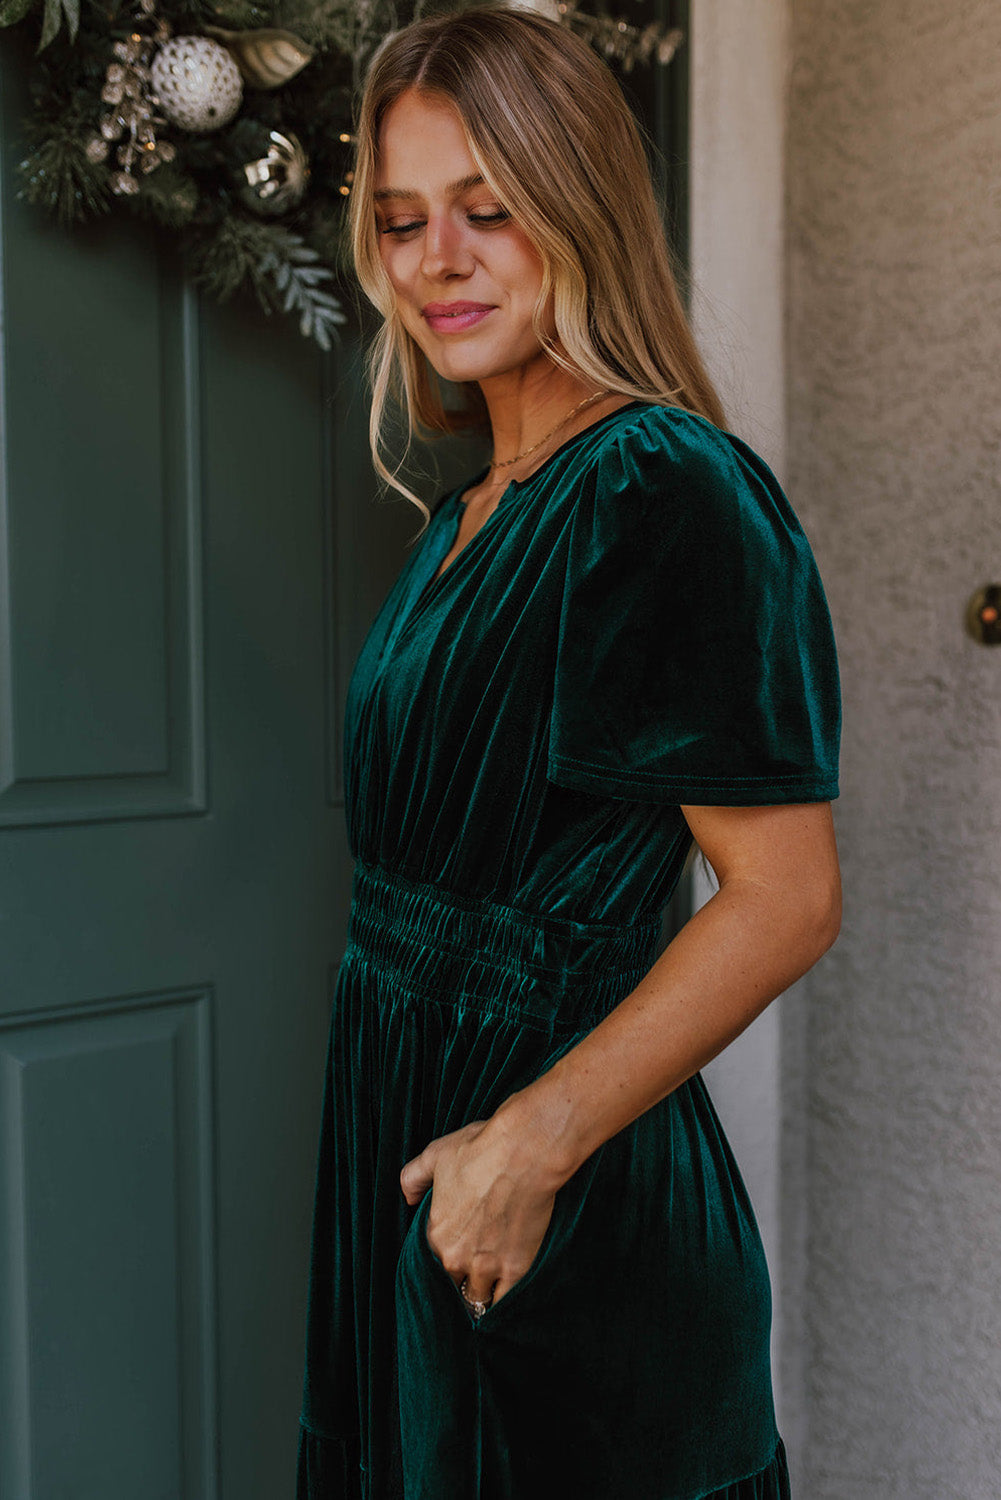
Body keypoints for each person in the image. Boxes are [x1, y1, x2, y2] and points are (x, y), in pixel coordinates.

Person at [296, 6, 842, 1498]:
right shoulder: (474, 507)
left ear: (578, 204)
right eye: (401, 222)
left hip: (560, 1187)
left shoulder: (660, 485)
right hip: (407, 1127)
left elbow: (783, 896)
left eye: (488, 208)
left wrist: (526, 1147)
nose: (437, 260)